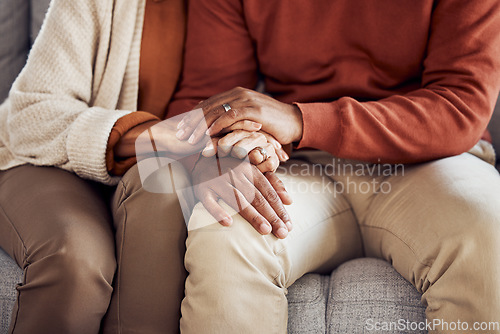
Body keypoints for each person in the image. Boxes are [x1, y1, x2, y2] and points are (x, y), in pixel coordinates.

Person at [168, 0, 500, 333]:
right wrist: (209, 157)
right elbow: (205, 98)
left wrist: (300, 120)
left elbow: (460, 103)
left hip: (436, 158)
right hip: (299, 165)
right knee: (223, 227)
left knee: (486, 225)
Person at [0, 0, 290, 333]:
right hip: (42, 158)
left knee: (166, 191)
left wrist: (244, 147)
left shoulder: (242, 10)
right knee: (77, 259)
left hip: (157, 169)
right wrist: (152, 134)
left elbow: (242, 108)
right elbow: (30, 116)